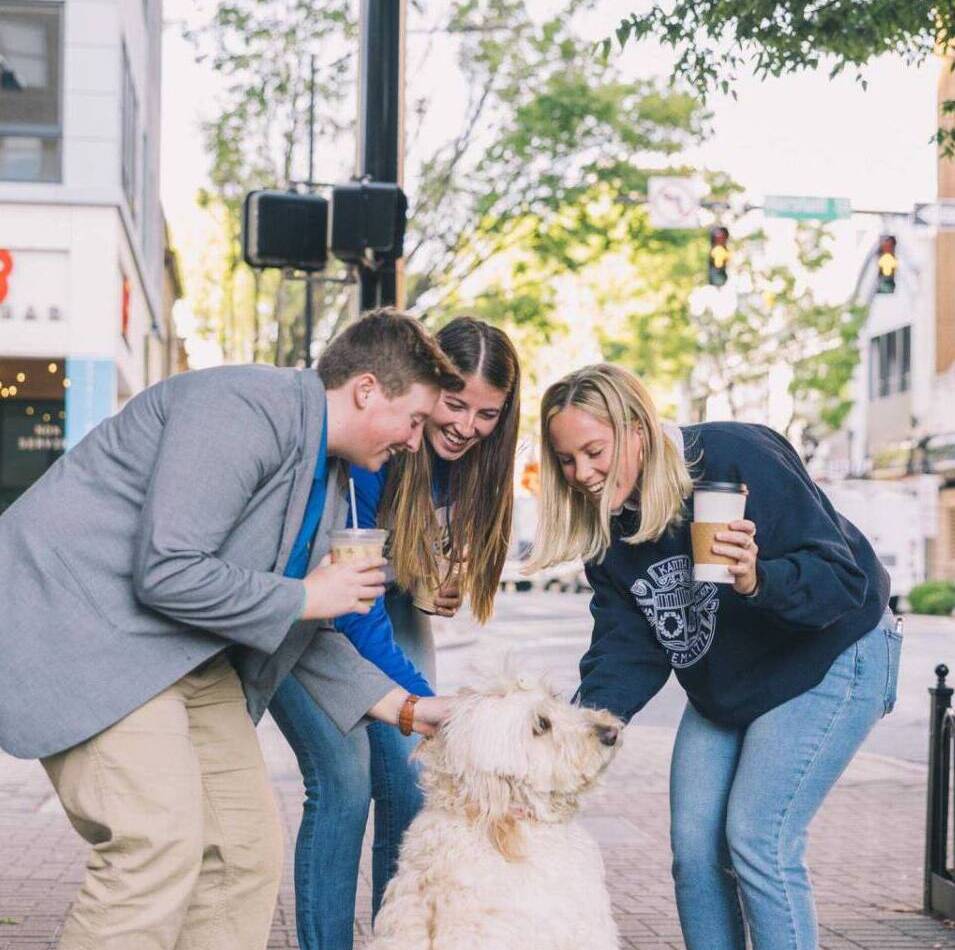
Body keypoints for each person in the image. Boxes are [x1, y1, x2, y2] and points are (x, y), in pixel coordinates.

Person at [0, 309, 462, 950]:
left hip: (180, 654)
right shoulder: (241, 408)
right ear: (365, 389)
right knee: (156, 844)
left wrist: (414, 710)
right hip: (87, 634)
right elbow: (167, 570)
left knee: (243, 850)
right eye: (414, 419)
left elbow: (304, 627)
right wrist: (306, 594)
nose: (416, 441)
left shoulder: (324, 477)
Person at [529, 363, 901, 950]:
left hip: (829, 652)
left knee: (757, 838)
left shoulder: (731, 457)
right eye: (567, 461)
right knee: (694, 851)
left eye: (595, 451)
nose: (583, 473)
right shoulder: (611, 531)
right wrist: (575, 735)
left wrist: (758, 579)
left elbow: (843, 580)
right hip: (731, 681)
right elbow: (625, 651)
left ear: (638, 430)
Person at [269, 316, 521, 949]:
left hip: (382, 615)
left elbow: (392, 567)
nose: (466, 426)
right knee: (344, 785)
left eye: (486, 415)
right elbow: (351, 591)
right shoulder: (378, 445)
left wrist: (423, 581)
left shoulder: (475, 468)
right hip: (314, 624)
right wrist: (418, 704)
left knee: (408, 787)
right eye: (455, 404)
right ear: (429, 389)